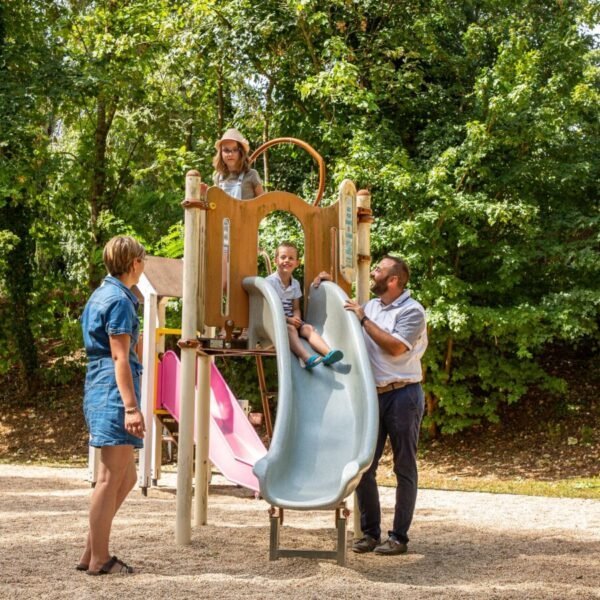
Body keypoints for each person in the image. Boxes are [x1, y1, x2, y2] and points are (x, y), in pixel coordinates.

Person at [344, 255, 428, 556]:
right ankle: (370, 533)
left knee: (404, 466)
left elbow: (394, 348)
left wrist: (363, 319)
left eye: (378, 270)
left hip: (404, 394)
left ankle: (399, 537)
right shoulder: (371, 306)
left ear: (393, 280)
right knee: (365, 464)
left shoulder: (412, 311)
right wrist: (325, 281)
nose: (373, 272)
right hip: (373, 395)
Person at [77, 235, 147, 575]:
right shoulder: (119, 299)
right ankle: (100, 560)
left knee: (127, 475)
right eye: (142, 260)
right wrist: (131, 407)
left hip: (100, 384)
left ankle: (91, 551)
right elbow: (120, 356)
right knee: (108, 478)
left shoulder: (102, 294)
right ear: (134, 263)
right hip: (112, 389)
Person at [266, 241, 343, 369]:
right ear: (275, 260)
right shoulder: (270, 282)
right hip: (275, 322)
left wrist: (296, 318)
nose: (287, 260)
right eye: (283, 257)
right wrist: (288, 320)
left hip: (290, 321)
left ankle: (328, 353)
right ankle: (306, 358)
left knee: (308, 328)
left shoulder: (295, 284)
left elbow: (295, 307)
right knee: (290, 329)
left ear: (297, 263)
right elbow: (270, 310)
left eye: (291, 258)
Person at [212, 128, 264, 200]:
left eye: (235, 150)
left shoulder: (252, 175)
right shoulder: (218, 177)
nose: (230, 154)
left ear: (241, 153)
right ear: (221, 153)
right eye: (226, 150)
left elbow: (264, 205)